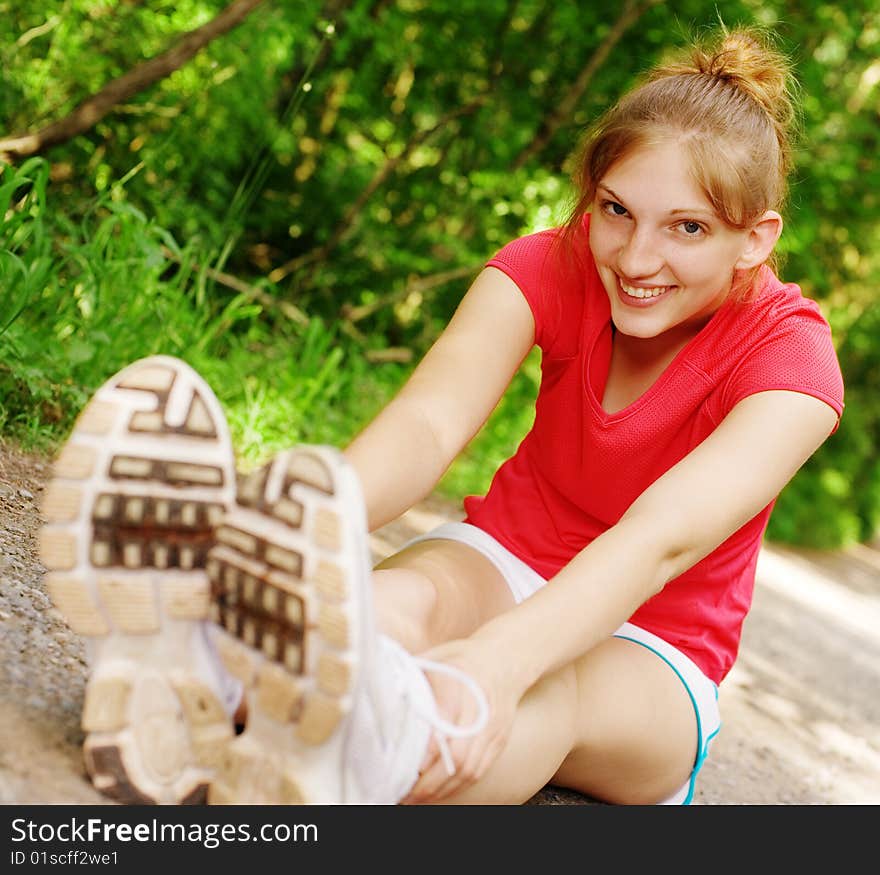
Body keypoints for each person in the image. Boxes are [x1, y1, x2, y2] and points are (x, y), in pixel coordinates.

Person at [38, 25, 844, 806]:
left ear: (754, 238)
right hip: (503, 554)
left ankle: (356, 761)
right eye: (616, 210)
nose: (635, 258)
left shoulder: (791, 359)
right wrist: (297, 535)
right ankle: (187, 678)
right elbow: (429, 422)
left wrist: (498, 659)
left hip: (656, 646)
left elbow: (659, 537)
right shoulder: (551, 264)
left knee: (540, 687)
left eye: (688, 229)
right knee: (398, 604)